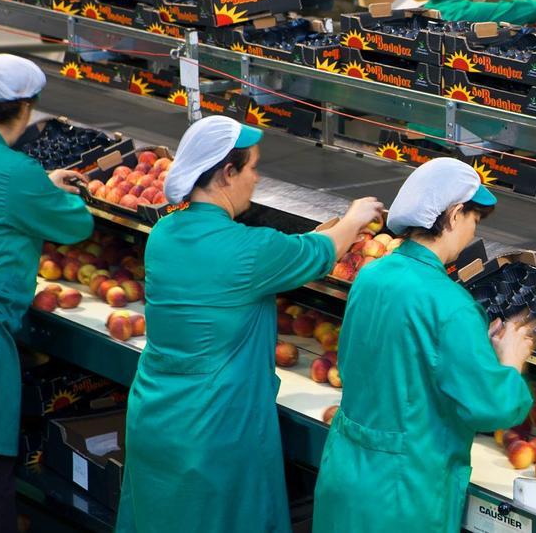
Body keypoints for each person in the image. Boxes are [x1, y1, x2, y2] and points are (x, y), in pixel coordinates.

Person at [116, 116, 385, 533]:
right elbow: (319, 252)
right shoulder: (247, 250)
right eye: (253, 168)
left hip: (156, 416)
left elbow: (268, 259)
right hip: (214, 432)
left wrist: (318, 235)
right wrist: (354, 218)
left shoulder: (164, 232)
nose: (258, 179)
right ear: (227, 174)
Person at [314, 158, 536, 532]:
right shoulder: (452, 306)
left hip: (346, 473)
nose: (471, 233)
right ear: (453, 216)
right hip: (403, 495)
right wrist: (510, 362)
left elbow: (384, 360)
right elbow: (492, 408)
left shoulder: (371, 275)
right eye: (473, 220)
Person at [0, 54, 92, 533]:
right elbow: (76, 224)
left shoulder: (10, 173)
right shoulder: (14, 171)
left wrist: (37, 186)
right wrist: (50, 192)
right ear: (24, 109)